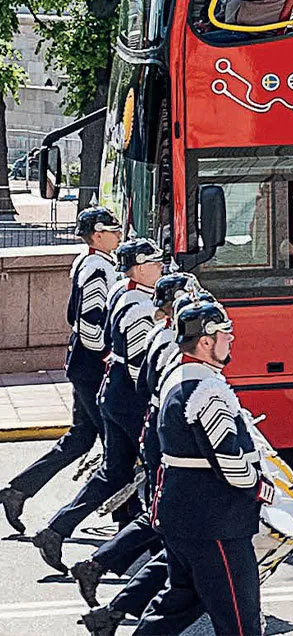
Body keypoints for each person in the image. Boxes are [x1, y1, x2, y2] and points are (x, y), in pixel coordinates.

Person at [131, 300, 270, 636]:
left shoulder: (178, 376)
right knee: (240, 622)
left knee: (177, 606)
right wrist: (261, 487)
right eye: (226, 335)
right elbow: (232, 465)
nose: (231, 341)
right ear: (206, 342)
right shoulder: (206, 390)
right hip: (215, 523)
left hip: (183, 517)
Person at [74, 274, 203, 630]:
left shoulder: (160, 337)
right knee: (169, 523)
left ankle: (111, 605)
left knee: (171, 534)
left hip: (155, 429)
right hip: (169, 438)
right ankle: (100, 570)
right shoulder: (173, 345)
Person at [33, 237, 166, 574]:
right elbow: (140, 366)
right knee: (158, 471)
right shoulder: (139, 307)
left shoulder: (124, 290)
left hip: (114, 390)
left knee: (114, 473)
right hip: (130, 396)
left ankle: (56, 530)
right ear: (138, 267)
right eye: (155, 263)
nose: (161, 267)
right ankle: (152, 551)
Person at [0, 207, 122, 536]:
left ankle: (18, 491)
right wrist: (107, 357)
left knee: (82, 439)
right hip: (92, 366)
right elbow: (90, 321)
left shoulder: (89, 261)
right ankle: (123, 523)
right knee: (117, 447)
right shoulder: (97, 269)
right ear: (97, 235)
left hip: (82, 363)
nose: (118, 234)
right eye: (113, 230)